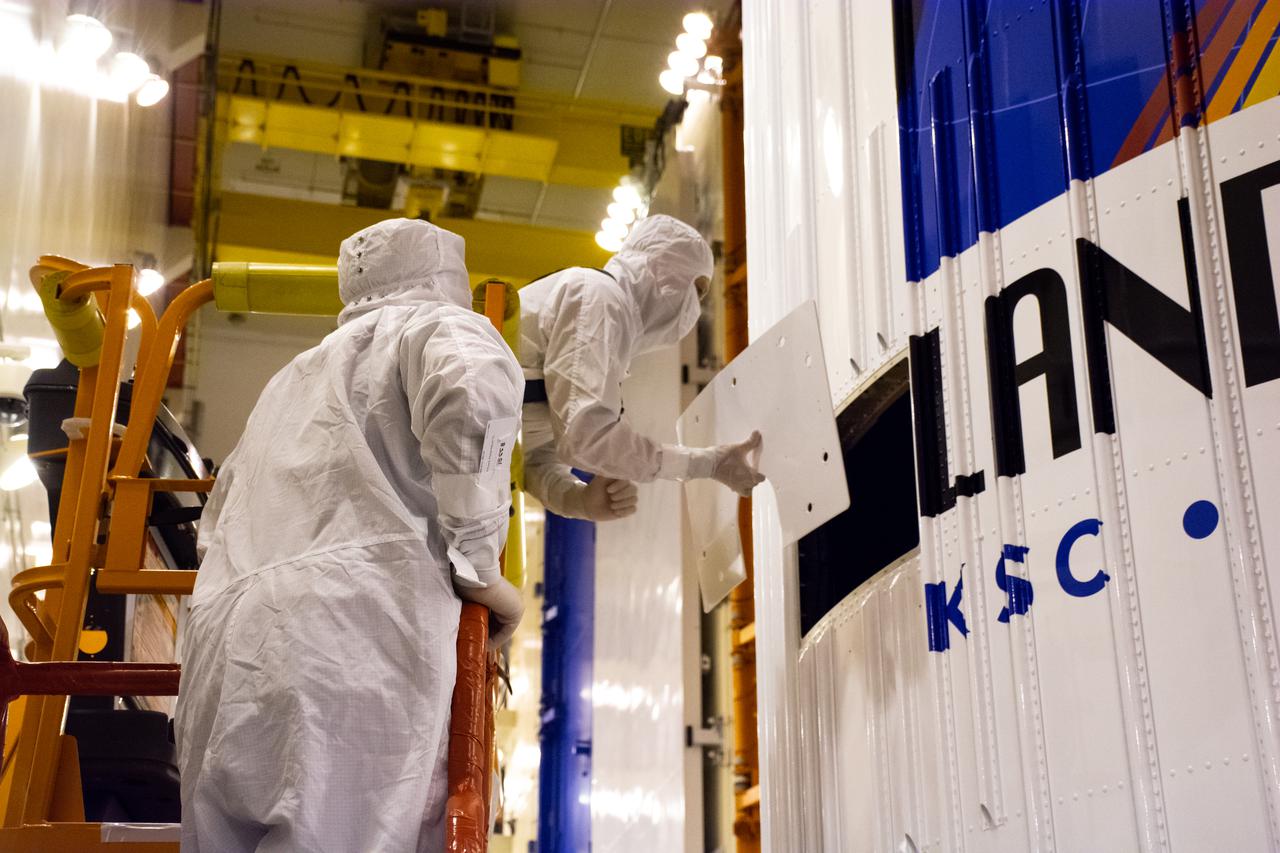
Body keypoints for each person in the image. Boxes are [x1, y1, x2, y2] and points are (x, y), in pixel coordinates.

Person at [176, 219, 525, 853]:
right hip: (352, 640)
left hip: (226, 653)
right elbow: (472, 398)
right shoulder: (438, 326)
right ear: (449, 277)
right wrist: (479, 568)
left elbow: (217, 522)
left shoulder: (287, 383)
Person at [518, 213, 763, 521]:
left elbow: (535, 460)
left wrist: (580, 499)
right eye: (696, 290)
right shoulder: (598, 298)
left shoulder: (608, 336)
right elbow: (586, 436)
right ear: (663, 269)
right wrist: (705, 464)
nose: (694, 308)